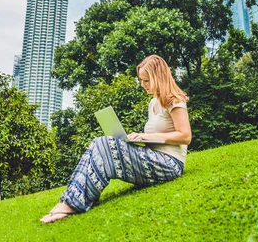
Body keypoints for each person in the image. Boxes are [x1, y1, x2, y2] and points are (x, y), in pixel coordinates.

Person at [40, 54, 191, 223]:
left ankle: (72, 204)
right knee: (98, 143)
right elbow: (159, 138)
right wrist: (135, 140)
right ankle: (69, 200)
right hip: (153, 158)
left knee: (103, 143)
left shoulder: (174, 100)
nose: (143, 85)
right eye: (141, 80)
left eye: (146, 80)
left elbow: (185, 136)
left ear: (158, 77)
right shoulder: (153, 103)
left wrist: (145, 136)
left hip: (170, 165)